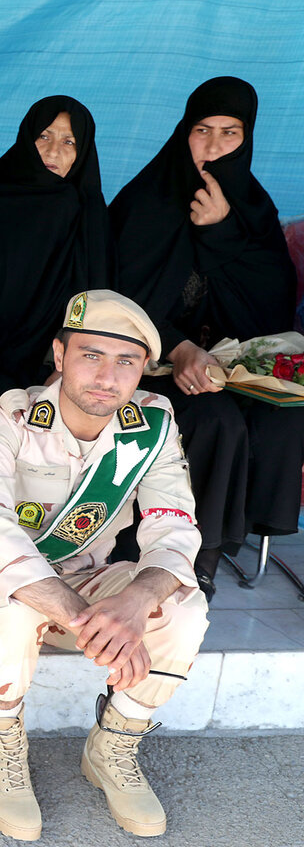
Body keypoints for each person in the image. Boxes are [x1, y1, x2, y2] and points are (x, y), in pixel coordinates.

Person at [0, 290, 208, 841]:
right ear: (58, 355)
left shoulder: (152, 423)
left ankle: (114, 745)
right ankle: (1, 748)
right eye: (91, 355)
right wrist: (92, 621)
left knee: (183, 604)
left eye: (126, 362)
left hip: (89, 573)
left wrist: (133, 603)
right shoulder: (7, 416)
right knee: (13, 603)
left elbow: (173, 527)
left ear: (142, 371)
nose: (108, 376)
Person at [111, 76, 302, 599]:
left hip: (231, 363)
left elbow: (270, 310)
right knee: (215, 419)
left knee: (283, 415)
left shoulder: (254, 210)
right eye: (202, 130)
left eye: (230, 132)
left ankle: (232, 537)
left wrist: (221, 232)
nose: (215, 146)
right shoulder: (145, 201)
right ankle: (199, 554)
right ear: (183, 132)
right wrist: (177, 347)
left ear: (249, 138)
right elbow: (122, 300)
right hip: (147, 362)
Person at [0, 96, 115, 414]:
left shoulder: (88, 214)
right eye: (44, 136)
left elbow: (96, 304)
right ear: (27, 138)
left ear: (82, 151)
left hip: (52, 369)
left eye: (69, 141)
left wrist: (62, 373)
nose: (53, 151)